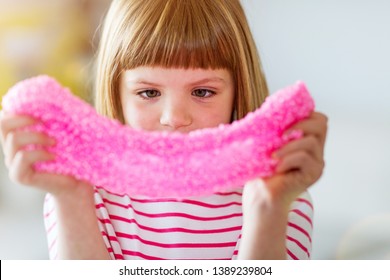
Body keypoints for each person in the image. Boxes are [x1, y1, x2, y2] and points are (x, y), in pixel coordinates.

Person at [0, 0, 327, 260]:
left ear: (238, 91)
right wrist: (71, 198)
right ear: (117, 93)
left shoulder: (281, 198)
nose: (174, 118)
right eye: (149, 93)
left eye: (202, 92)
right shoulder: (81, 192)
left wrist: (266, 210)